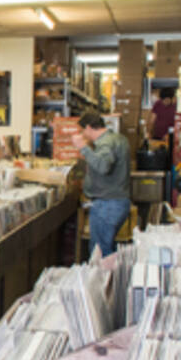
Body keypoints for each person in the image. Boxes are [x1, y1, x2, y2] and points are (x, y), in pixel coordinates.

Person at [71, 110, 131, 257]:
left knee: (100, 252)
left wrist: (83, 148)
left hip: (108, 205)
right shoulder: (119, 139)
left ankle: (103, 279)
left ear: (89, 128)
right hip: (117, 202)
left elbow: (103, 166)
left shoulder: (105, 143)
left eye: (82, 131)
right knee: (105, 247)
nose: (83, 135)